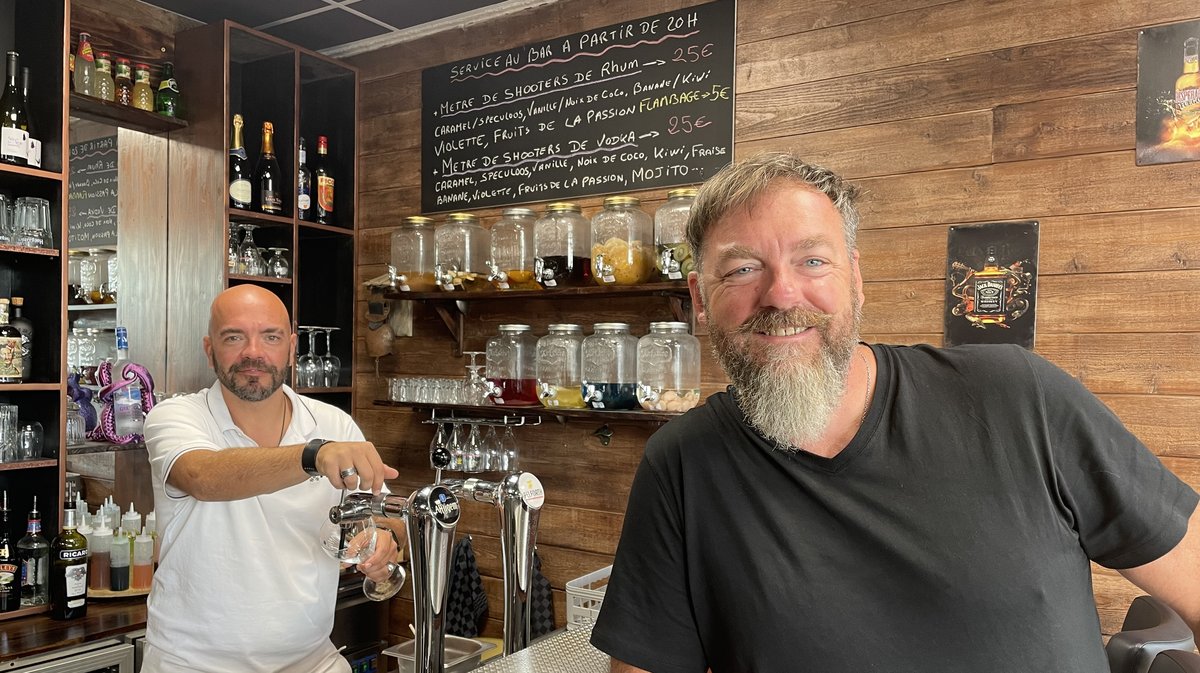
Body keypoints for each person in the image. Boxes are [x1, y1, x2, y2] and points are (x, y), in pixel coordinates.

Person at [590, 152, 1200, 672]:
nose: (780, 294)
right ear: (700, 299)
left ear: (855, 278)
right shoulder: (682, 466)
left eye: (813, 260)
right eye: (742, 268)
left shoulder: (1018, 397)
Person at [141, 285, 401, 673]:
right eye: (234, 337)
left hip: (313, 661)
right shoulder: (176, 417)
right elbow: (204, 476)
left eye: (271, 336)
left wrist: (387, 540)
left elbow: (390, 515)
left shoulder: (333, 423)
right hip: (194, 664)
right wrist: (313, 455)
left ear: (292, 347)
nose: (253, 353)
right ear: (210, 349)